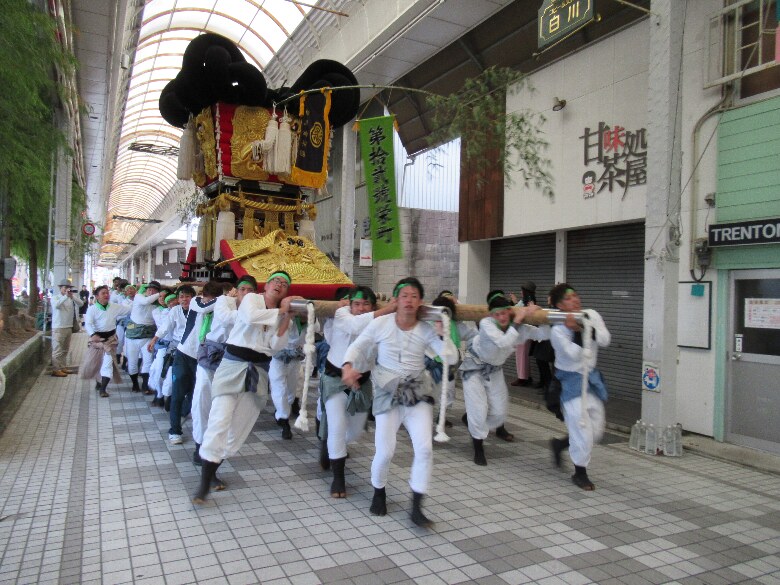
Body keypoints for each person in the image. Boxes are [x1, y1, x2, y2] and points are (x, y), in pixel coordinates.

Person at [342, 277, 457, 527]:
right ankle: (379, 491)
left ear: (420, 302)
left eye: (414, 296)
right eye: (404, 295)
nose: (409, 300)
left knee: (424, 449)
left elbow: (451, 357)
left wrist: (443, 335)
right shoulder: (380, 324)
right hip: (387, 392)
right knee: (385, 451)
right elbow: (358, 346)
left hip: (417, 393)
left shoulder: (426, 329)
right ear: (396, 300)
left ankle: (416, 506)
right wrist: (348, 366)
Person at [193, 271, 300, 504]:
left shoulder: (282, 314)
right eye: (276, 281)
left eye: (284, 284)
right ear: (266, 286)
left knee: (237, 432)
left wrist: (286, 319)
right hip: (233, 365)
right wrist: (281, 312)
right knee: (219, 420)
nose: (280, 285)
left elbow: (275, 346)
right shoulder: (252, 299)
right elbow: (251, 317)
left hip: (258, 372)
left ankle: (213, 467)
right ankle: (203, 483)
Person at [320, 286, 396, 498]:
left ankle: (330, 444)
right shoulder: (341, 313)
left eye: (366, 304)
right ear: (350, 305)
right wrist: (388, 308)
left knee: (353, 432)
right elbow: (356, 325)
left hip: (362, 381)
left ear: (372, 306)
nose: (361, 308)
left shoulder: (381, 322)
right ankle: (338, 478)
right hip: (335, 378)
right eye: (357, 304)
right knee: (337, 426)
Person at [459, 292, 546, 465]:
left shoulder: (519, 327)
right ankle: (478, 446)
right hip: (473, 366)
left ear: (509, 311)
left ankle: (473, 421)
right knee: (478, 409)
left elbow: (542, 335)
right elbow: (503, 342)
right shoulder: (487, 324)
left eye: (504, 313)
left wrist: (542, 315)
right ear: (492, 315)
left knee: (499, 412)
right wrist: (519, 320)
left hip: (495, 370)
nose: (501, 317)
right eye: (497, 314)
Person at [548, 283, 611, 490]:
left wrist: (583, 327)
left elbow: (605, 340)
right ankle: (580, 473)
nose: (574, 300)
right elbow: (573, 354)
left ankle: (560, 444)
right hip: (569, 382)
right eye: (568, 298)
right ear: (559, 305)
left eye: (575, 295)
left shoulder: (590, 315)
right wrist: (575, 332)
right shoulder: (558, 329)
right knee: (581, 426)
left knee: (596, 429)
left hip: (590, 378)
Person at [80, 285, 131, 396]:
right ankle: (99, 382)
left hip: (111, 340)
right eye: (103, 293)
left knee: (107, 363)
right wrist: (93, 334)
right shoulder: (92, 309)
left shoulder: (114, 307)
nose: (106, 295)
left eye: (107, 293)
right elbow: (88, 324)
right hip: (97, 341)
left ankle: (103, 389)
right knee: (97, 363)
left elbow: (128, 309)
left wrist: (133, 298)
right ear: (97, 296)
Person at [124, 281, 162, 393]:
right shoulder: (139, 297)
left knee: (148, 361)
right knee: (132, 362)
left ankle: (145, 385)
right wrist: (160, 294)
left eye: (154, 290)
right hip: (132, 337)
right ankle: (135, 384)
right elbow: (146, 301)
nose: (151, 291)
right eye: (149, 289)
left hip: (148, 337)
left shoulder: (158, 305)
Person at [50, 279, 84, 377]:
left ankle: (62, 367)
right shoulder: (55, 298)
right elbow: (56, 305)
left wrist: (72, 296)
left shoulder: (70, 298)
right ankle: (56, 369)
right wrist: (65, 296)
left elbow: (81, 303)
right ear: (60, 288)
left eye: (69, 287)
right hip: (58, 327)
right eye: (65, 287)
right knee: (57, 350)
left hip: (68, 326)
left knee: (65, 349)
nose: (67, 289)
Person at [510, 281, 537, 387]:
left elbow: (517, 311)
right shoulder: (527, 301)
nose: (521, 292)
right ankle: (525, 377)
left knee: (521, 356)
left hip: (524, 332)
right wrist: (515, 301)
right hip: (522, 332)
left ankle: (523, 378)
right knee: (522, 356)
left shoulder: (529, 303)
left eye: (522, 290)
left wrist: (514, 303)